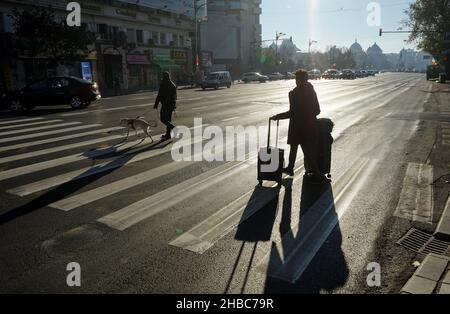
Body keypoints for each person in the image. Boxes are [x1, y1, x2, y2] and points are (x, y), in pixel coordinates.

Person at [270, 69, 327, 184]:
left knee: (307, 152)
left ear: (299, 80)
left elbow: (292, 113)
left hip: (299, 127)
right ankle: (291, 168)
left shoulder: (294, 93)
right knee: (296, 148)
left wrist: (278, 116)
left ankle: (318, 176)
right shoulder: (311, 91)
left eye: (297, 79)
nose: (296, 81)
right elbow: (317, 110)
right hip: (310, 126)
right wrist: (308, 115)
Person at [154, 72, 177, 140]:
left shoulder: (163, 84)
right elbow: (175, 96)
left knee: (163, 119)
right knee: (168, 120)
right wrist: (174, 105)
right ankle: (168, 134)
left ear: (164, 77)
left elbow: (159, 95)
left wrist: (156, 104)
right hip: (172, 104)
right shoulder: (173, 84)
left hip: (166, 104)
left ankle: (173, 128)